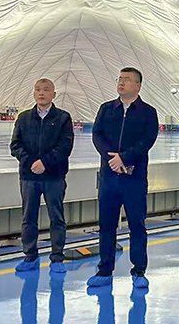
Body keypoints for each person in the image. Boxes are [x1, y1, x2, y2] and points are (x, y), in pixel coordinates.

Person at [87, 67, 159, 289]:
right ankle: (104, 270)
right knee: (107, 225)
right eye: (120, 79)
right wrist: (111, 158)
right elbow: (97, 135)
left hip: (134, 178)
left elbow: (147, 140)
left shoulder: (148, 112)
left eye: (127, 79)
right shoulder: (107, 109)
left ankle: (139, 271)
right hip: (109, 177)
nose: (121, 82)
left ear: (138, 86)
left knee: (137, 224)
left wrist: (124, 158)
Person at [10, 78, 74, 273]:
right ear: (33, 93)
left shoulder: (63, 118)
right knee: (28, 217)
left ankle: (57, 258)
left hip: (54, 177)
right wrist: (30, 163)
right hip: (29, 177)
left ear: (54, 94)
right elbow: (15, 145)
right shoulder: (24, 118)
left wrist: (45, 163)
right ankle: (30, 256)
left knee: (57, 217)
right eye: (38, 89)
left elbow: (65, 147)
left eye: (46, 90)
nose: (41, 93)